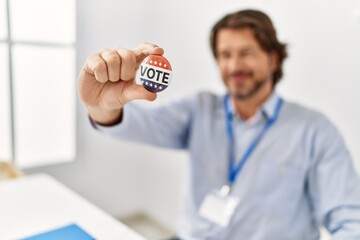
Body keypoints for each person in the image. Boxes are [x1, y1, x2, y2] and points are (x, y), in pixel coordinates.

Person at [78, 9, 360, 240]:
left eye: (246, 52)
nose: (234, 65)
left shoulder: (315, 130)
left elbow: (351, 220)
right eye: (225, 55)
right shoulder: (199, 109)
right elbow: (141, 124)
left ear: (273, 59)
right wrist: (101, 105)